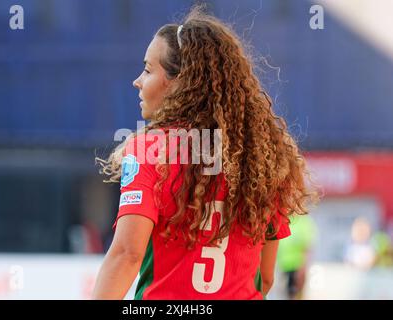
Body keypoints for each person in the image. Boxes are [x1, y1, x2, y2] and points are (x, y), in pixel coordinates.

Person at [92, 5, 316, 300]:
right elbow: (266, 277)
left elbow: (126, 255)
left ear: (180, 82)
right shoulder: (267, 156)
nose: (138, 80)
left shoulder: (151, 150)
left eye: (148, 70)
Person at [277, 214, 317, 300]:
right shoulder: (282, 219)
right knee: (287, 294)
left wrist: (303, 267)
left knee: (296, 295)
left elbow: (307, 247)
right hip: (284, 267)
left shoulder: (303, 221)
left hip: (297, 267)